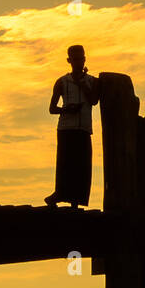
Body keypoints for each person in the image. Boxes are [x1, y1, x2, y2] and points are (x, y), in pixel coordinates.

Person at [44, 45, 100, 208]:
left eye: (81, 59)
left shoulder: (92, 81)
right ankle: (59, 194)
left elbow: (94, 100)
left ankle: (76, 200)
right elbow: (52, 109)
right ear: (69, 61)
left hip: (83, 128)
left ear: (85, 59)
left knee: (82, 165)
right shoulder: (62, 82)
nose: (78, 62)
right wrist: (66, 109)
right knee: (65, 164)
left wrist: (82, 83)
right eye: (75, 59)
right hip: (66, 128)